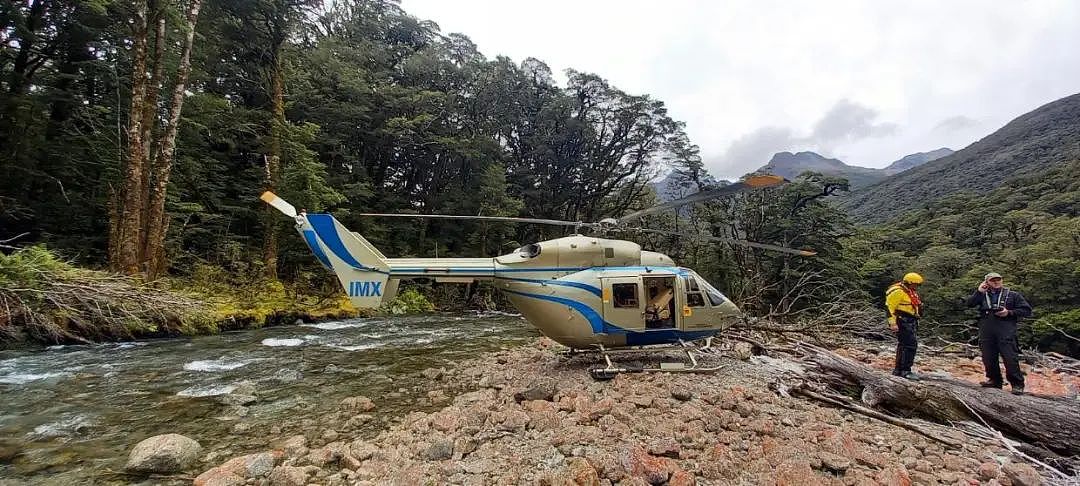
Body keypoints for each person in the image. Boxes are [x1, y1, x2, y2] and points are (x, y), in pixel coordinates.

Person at [966, 272, 1032, 395]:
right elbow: (969, 304)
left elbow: (1026, 310)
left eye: (998, 280)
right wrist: (979, 292)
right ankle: (994, 380)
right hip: (986, 326)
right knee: (988, 356)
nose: (996, 282)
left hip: (1005, 326)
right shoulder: (982, 295)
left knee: (1010, 357)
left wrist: (1009, 312)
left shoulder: (1012, 295)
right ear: (987, 282)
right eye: (993, 280)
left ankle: (1017, 384)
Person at [885, 272, 924, 380]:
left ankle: (898, 370)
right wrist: (892, 323)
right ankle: (906, 370)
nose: (917, 287)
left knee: (904, 345)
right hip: (902, 321)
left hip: (910, 320)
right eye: (915, 284)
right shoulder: (898, 292)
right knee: (910, 345)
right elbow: (889, 309)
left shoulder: (910, 292)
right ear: (909, 283)